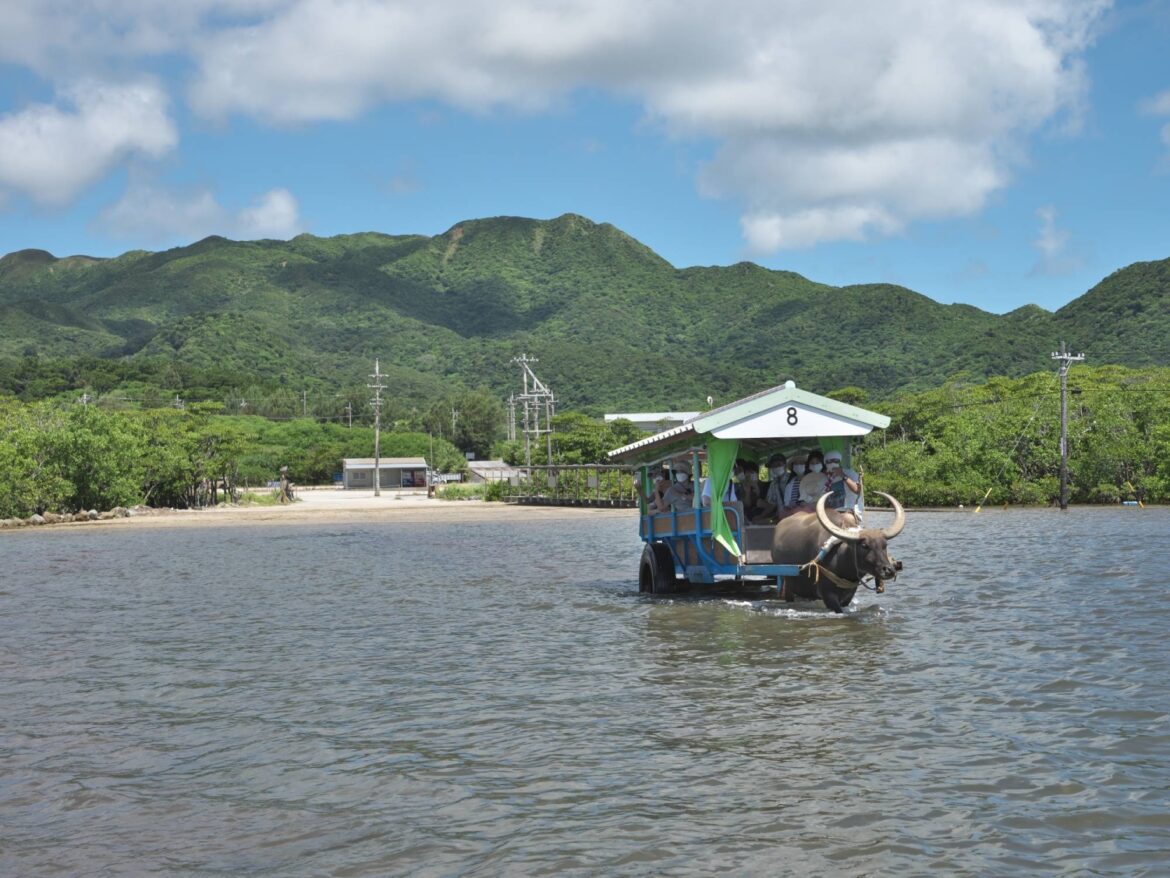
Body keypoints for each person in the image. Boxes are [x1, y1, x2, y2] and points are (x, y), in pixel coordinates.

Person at [752, 452, 793, 522]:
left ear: (785, 465)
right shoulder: (773, 484)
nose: (776, 467)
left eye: (778, 464)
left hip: (794, 515)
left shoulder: (793, 479)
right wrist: (761, 516)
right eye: (773, 466)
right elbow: (772, 504)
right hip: (781, 518)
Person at [823, 449, 863, 521]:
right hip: (833, 512)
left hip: (851, 511)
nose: (833, 463)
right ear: (825, 463)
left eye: (835, 461)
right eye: (829, 461)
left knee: (847, 519)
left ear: (839, 462)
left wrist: (843, 475)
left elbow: (857, 490)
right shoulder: (825, 478)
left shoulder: (850, 473)